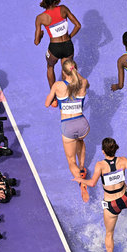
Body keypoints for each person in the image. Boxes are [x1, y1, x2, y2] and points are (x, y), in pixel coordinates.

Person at [73, 138, 127, 252]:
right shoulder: (123, 161)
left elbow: (92, 183)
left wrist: (80, 180)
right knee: (125, 188)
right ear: (115, 149)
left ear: (103, 151)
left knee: (109, 233)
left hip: (112, 205)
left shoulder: (100, 165)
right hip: (126, 199)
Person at [45, 59, 91, 202]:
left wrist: (55, 99)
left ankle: (82, 183)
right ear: (75, 70)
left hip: (68, 126)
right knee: (80, 141)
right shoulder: (83, 83)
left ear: (63, 72)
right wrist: (76, 73)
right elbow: (85, 81)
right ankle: (82, 167)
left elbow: (47, 104)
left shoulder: (57, 85)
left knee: (71, 161)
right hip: (83, 125)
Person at [34, 0, 81, 89]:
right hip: (68, 46)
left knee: (50, 67)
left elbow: (36, 42)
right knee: (66, 71)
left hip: (54, 48)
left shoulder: (40, 18)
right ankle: (65, 93)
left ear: (43, 1)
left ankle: (54, 96)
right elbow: (78, 25)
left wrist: (41, 36)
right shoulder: (63, 9)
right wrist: (69, 37)